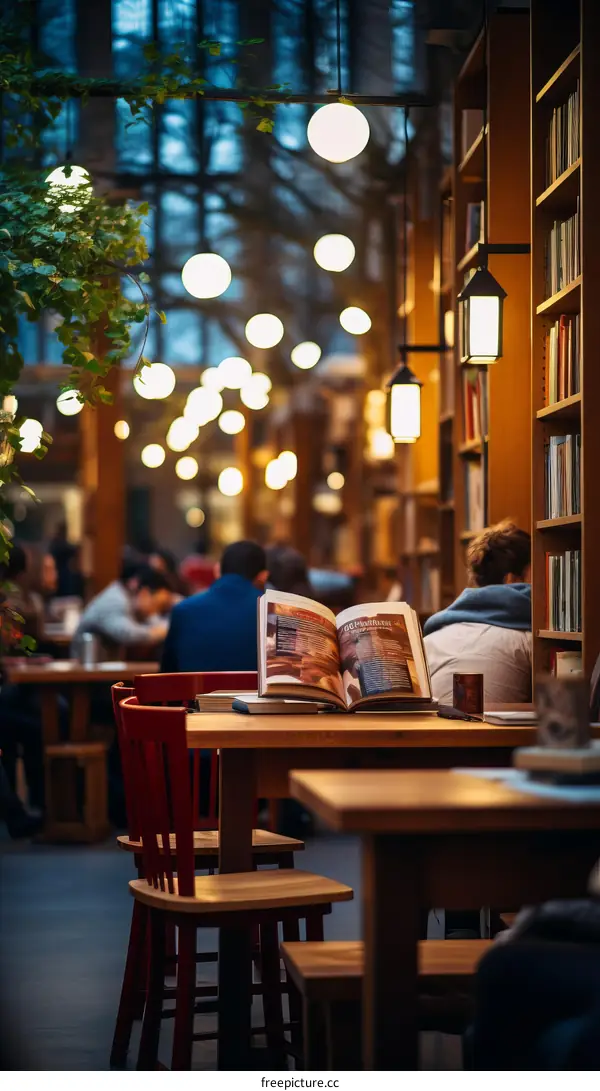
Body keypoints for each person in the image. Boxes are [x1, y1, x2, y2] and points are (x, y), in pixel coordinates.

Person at [423, 520, 532, 705]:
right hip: (490, 734)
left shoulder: (430, 641)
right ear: (512, 580)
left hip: (428, 733)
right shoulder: (528, 642)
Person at [161, 540, 268, 673]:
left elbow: (167, 674)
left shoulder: (182, 610)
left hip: (192, 694)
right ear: (263, 576)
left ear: (217, 570)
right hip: (254, 694)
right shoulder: (273, 613)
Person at [72, 565, 173, 657]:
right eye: (158, 605)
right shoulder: (115, 600)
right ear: (144, 593)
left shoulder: (127, 599)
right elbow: (127, 634)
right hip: (86, 670)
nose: (155, 612)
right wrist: (158, 633)